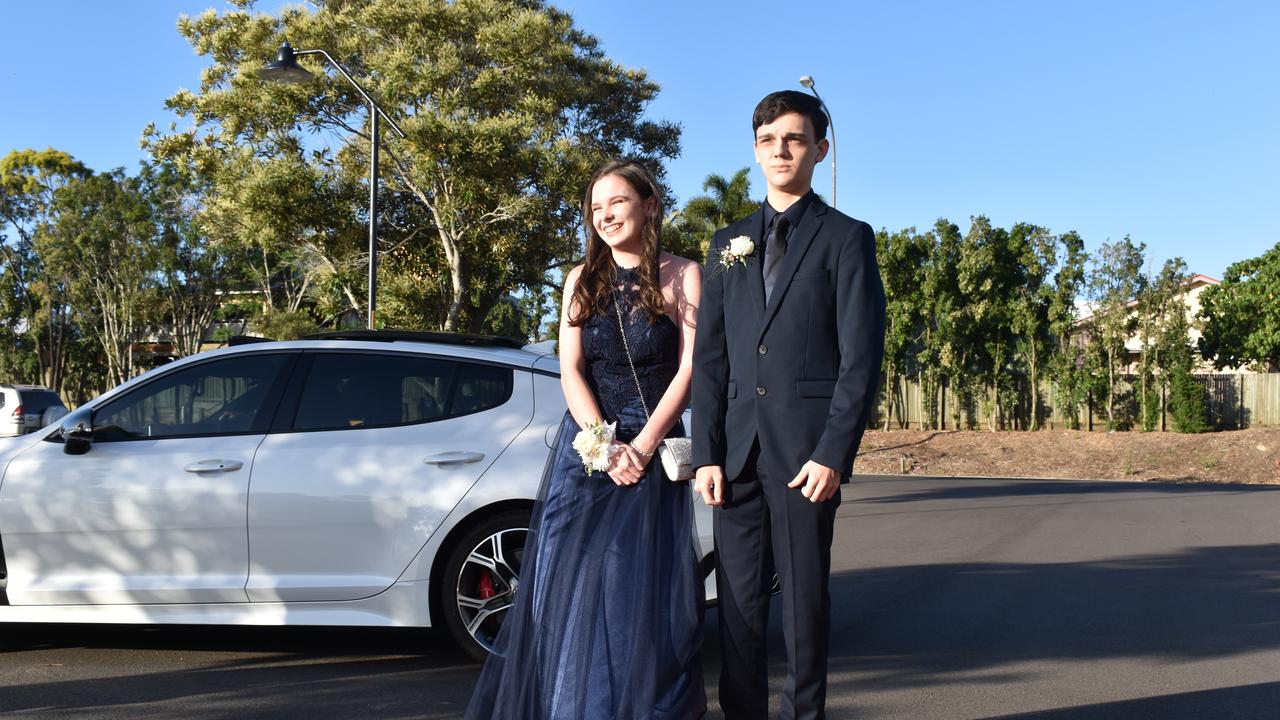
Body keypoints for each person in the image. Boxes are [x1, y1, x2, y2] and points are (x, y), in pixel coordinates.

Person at [466, 159, 706, 720]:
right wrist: (602, 446)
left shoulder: (683, 275)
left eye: (616, 202)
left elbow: (690, 370)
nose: (605, 216)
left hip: (649, 450)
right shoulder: (580, 279)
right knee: (560, 587)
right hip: (588, 452)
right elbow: (570, 368)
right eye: (595, 208)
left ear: (648, 205)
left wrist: (641, 449)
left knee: (631, 592)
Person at [691, 90, 887, 720]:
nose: (781, 149)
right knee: (739, 614)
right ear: (755, 150)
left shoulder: (846, 239)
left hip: (808, 459)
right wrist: (707, 455)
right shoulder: (727, 244)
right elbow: (711, 360)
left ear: (818, 150)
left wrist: (834, 453)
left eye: (795, 139)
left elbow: (860, 359)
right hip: (736, 457)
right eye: (769, 139)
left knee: (804, 610)